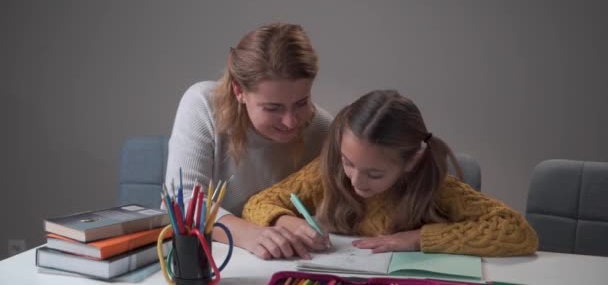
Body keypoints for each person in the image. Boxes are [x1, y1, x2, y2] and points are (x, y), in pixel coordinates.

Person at [243, 90, 539, 257]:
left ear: (411, 161)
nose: (356, 181)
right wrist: (290, 223)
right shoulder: (328, 171)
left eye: (374, 174)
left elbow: (518, 232)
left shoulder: (436, 187)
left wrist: (417, 238)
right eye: (349, 163)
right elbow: (257, 204)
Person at [164, 22, 332, 260]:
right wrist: (251, 234)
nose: (291, 122)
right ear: (238, 91)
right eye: (273, 108)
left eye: (301, 103)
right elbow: (183, 203)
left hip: (283, 262)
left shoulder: (324, 129)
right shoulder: (203, 104)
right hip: (208, 259)